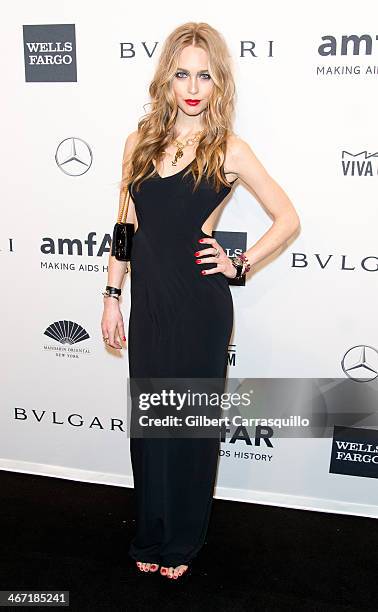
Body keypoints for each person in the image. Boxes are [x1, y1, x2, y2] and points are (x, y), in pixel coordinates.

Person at [101, 22, 300, 581]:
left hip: (200, 306)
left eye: (205, 75)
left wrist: (240, 263)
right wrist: (113, 293)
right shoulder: (138, 143)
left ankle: (183, 540)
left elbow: (288, 218)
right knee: (150, 422)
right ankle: (152, 531)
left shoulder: (229, 149)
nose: (193, 86)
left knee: (188, 426)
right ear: (166, 80)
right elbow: (125, 224)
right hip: (150, 305)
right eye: (183, 73)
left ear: (219, 84)